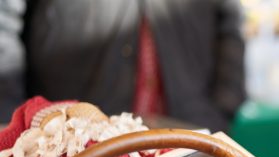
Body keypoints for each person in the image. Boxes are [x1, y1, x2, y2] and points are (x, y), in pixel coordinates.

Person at [0, 0, 246, 132]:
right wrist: (13, 121)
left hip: (190, 126)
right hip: (68, 135)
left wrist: (224, 104)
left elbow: (229, 23)